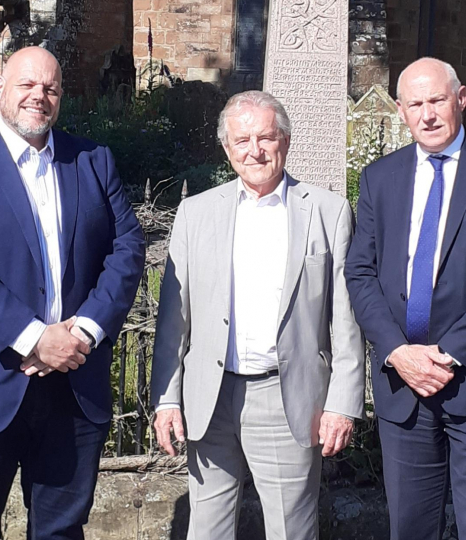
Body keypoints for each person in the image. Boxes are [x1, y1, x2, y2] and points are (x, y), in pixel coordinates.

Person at [0, 46, 145, 540]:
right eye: (26, 85)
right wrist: (35, 338)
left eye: (51, 88)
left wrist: (80, 333)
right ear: (0, 89)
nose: (39, 96)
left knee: (61, 531)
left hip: (72, 385)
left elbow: (127, 248)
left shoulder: (93, 160)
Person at [150, 90, 365, 539]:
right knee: (207, 530)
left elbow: (345, 319)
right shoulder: (195, 213)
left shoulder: (327, 212)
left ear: (285, 142)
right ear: (227, 148)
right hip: (210, 396)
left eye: (266, 137)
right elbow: (175, 319)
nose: (255, 150)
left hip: (286, 397)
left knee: (291, 531)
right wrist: (168, 399)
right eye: (242, 140)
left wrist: (343, 404)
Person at [345, 57, 466, 540]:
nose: (428, 114)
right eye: (415, 104)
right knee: (409, 530)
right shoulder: (379, 178)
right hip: (403, 389)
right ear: (400, 110)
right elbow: (360, 273)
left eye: (436, 100)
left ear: (460, 99)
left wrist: (447, 354)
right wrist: (397, 351)